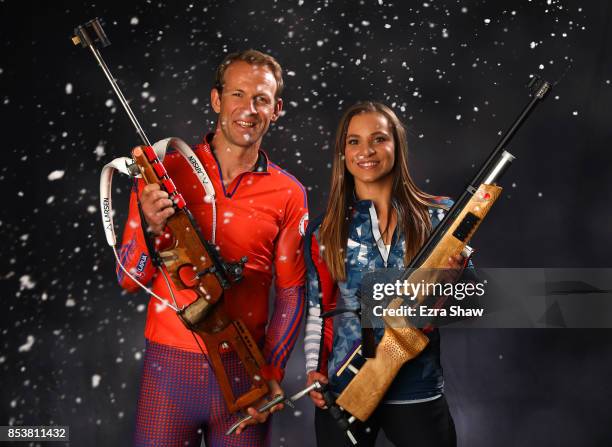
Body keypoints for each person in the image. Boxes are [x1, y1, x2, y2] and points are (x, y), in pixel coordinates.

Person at [117, 50, 308, 447]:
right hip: (168, 372)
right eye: (238, 95)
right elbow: (128, 279)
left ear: (276, 110)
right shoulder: (163, 173)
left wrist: (270, 372)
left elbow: (291, 294)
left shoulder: (289, 193)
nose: (249, 109)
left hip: (245, 377)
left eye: (262, 99)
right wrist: (152, 229)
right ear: (217, 100)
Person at [304, 102, 462, 446]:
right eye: (354, 141)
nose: (366, 151)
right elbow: (319, 309)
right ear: (342, 153)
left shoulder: (439, 218)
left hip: (417, 384)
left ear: (396, 145)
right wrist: (315, 371)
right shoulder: (324, 231)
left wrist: (451, 283)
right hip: (346, 384)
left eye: (378, 138)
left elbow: (469, 305)